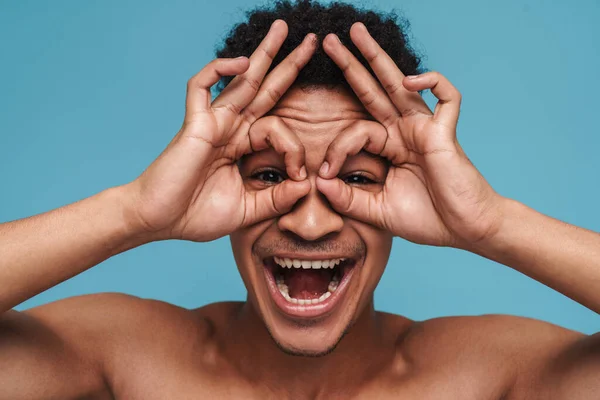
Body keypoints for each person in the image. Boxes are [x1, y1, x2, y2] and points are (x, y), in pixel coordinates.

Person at [1, 0, 598, 398]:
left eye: (358, 180)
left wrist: (490, 223)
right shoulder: (126, 356)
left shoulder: (486, 374)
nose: (310, 223)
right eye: (266, 176)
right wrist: (133, 212)